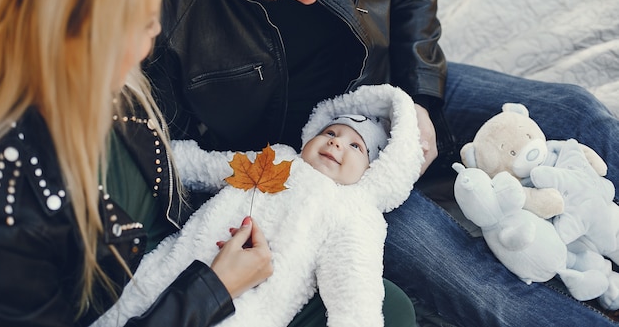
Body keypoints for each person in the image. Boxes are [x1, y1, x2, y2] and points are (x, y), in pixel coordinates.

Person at [145, 0, 619, 325]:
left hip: (389, 85)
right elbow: (167, 145)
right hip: (315, 172)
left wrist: (421, 99)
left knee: (578, 112)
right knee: (470, 280)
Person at [0, 0, 273, 326]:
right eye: (143, 21)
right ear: (80, 38)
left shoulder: (115, 90)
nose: (158, 30)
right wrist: (213, 288)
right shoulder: (11, 201)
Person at [93, 83, 421, 327]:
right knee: (136, 298)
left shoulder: (354, 214)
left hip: (254, 304)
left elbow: (354, 289)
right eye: (331, 132)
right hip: (182, 260)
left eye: (356, 146)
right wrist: (159, 153)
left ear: (373, 172)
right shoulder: (276, 159)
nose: (336, 142)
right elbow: (212, 166)